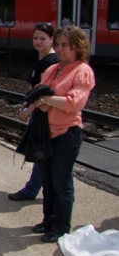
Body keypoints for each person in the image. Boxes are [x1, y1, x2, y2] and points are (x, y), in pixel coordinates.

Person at [19, 26, 95, 243]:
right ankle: (48, 220)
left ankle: (61, 226)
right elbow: (37, 92)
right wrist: (32, 106)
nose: (60, 49)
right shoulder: (53, 69)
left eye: (65, 45)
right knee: (48, 181)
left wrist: (45, 101)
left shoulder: (82, 71)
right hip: (46, 132)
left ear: (77, 47)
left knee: (61, 183)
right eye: (58, 44)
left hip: (66, 134)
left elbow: (73, 103)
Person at [9, 22, 59, 201]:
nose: (38, 42)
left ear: (51, 39)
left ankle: (32, 190)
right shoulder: (40, 58)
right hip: (40, 112)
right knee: (43, 154)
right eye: (35, 38)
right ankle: (39, 189)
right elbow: (34, 89)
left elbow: (44, 92)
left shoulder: (51, 62)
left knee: (41, 152)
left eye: (43, 38)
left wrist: (28, 110)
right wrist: (26, 102)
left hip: (46, 114)